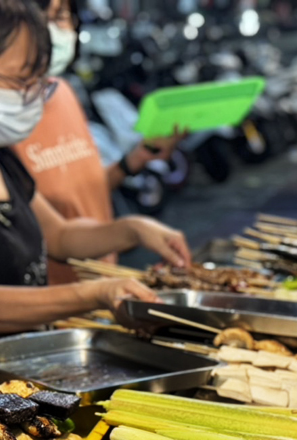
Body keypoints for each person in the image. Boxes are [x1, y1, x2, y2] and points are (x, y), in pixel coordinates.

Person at [0, 0, 190, 390]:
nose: (33, 96)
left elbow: (58, 236)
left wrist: (133, 229)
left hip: (25, 379)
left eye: (38, 82)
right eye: (21, 81)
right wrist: (96, 292)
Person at [16, 0, 186, 284]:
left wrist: (133, 161)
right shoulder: (2, 119)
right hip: (55, 296)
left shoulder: (64, 93)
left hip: (102, 283)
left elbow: (86, 190)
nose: (53, 30)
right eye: (40, 18)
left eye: (61, 16)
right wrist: (130, 230)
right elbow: (53, 234)